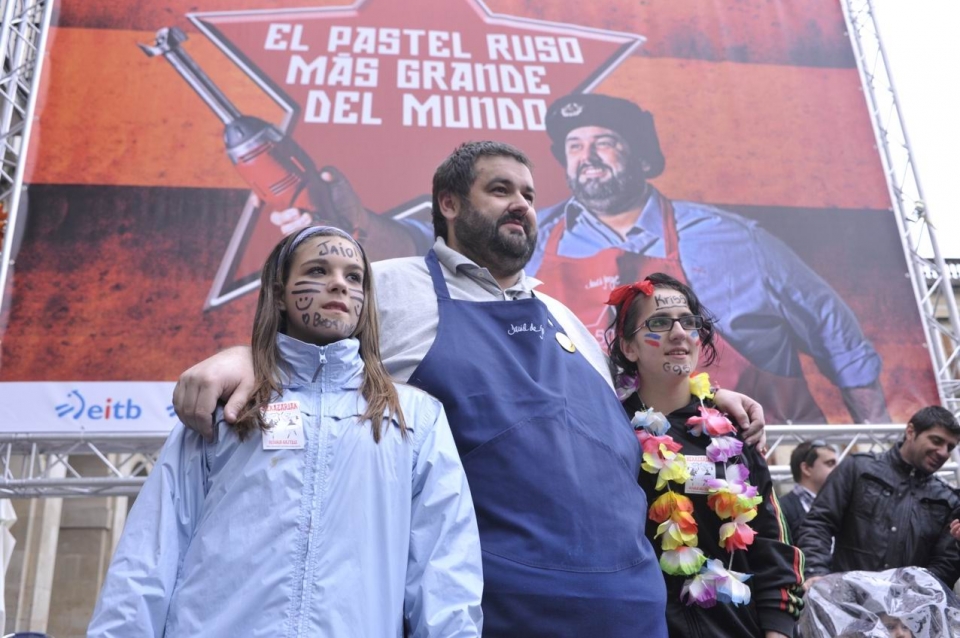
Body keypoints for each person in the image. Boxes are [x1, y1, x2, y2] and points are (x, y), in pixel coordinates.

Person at [175, 141, 768, 636]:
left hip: (628, 610)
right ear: (449, 203)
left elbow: (623, 421)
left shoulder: (565, 319)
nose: (522, 206)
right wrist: (241, 358)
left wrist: (707, 404)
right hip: (487, 611)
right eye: (502, 190)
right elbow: (304, 346)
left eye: (530, 196)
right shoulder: (388, 286)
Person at [88, 227, 483, 637]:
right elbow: (149, 554)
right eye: (318, 269)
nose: (338, 284)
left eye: (354, 277)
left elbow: (445, 574)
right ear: (279, 294)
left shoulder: (414, 417)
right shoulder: (226, 404)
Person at [526, 92, 890, 425]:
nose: (586, 158)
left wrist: (878, 446)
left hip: (757, 454)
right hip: (605, 452)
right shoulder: (531, 241)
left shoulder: (734, 238)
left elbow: (832, 329)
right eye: (574, 146)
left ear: (638, 153)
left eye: (603, 143)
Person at [607, 272, 803, 637]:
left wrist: (778, 630)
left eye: (689, 322)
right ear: (629, 347)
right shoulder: (608, 430)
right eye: (659, 323)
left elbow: (772, 543)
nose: (679, 332)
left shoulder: (735, 432)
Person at [797, 405, 960, 589]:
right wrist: (817, 573)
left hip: (906, 613)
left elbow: (945, 565)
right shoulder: (857, 468)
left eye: (950, 447)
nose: (943, 452)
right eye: (936, 440)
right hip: (845, 602)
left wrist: (911, 600)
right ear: (910, 431)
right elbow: (819, 523)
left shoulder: (948, 500)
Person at [780, 440, 839, 541]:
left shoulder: (839, 506)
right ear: (806, 468)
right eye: (830, 463)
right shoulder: (781, 509)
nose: (838, 470)